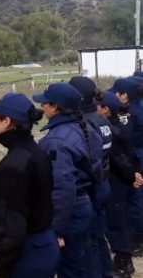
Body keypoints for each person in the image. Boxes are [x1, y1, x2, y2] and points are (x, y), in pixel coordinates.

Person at [0, 93, 58, 278]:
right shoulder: (36, 152)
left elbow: (12, 228)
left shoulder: (13, 166)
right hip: (44, 244)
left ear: (6, 121)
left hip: (27, 254)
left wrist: (2, 265)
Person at [33, 82, 101, 278]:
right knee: (85, 259)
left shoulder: (56, 140)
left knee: (70, 267)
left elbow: (62, 188)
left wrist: (56, 230)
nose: (42, 106)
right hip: (85, 204)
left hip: (70, 211)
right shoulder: (87, 127)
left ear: (54, 107)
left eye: (45, 103)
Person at [68, 76, 113, 277]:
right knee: (99, 236)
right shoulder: (101, 118)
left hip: (92, 187)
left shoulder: (86, 124)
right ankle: (106, 272)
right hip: (103, 181)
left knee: (90, 241)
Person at [97, 90, 143, 277]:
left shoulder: (112, 131)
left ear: (106, 110)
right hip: (124, 179)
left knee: (116, 223)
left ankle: (124, 262)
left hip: (117, 182)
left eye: (98, 107)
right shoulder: (117, 126)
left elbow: (120, 159)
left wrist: (132, 176)